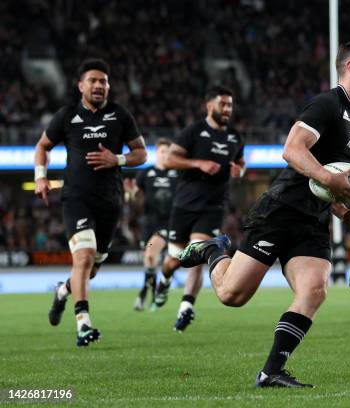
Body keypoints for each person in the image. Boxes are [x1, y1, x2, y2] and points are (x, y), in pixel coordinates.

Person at [177, 38, 350, 388]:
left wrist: (341, 210)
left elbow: (325, 181)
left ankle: (271, 370)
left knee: (315, 290)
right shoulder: (327, 104)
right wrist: (330, 178)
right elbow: (292, 150)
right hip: (282, 209)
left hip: (313, 219)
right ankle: (215, 250)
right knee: (231, 296)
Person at [34, 58, 147, 346]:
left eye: (104, 81)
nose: (99, 85)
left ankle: (63, 291)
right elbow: (42, 146)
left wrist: (117, 159)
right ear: (81, 85)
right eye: (93, 81)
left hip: (110, 201)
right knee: (83, 258)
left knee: (91, 269)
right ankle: (83, 323)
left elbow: (141, 153)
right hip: (76, 198)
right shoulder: (67, 115)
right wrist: (40, 177)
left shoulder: (120, 115)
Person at [153, 85, 246, 332]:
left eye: (230, 105)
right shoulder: (193, 131)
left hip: (212, 206)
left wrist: (240, 170)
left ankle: (186, 307)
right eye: (223, 104)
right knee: (174, 260)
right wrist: (198, 163)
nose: (227, 109)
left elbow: (240, 164)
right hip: (184, 205)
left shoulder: (235, 137)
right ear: (209, 106)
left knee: (197, 254)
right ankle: (164, 279)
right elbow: (170, 159)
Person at [125, 138, 178, 311]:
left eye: (167, 152)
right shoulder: (145, 174)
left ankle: (148, 295)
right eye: (162, 152)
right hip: (149, 225)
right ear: (157, 153)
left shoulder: (177, 174)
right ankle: (150, 293)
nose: (165, 155)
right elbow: (136, 201)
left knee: (150, 253)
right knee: (150, 260)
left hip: (168, 224)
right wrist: (131, 194)